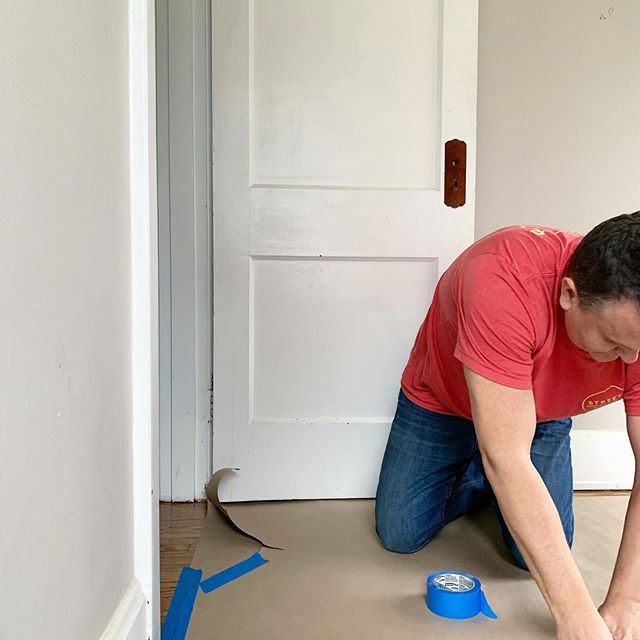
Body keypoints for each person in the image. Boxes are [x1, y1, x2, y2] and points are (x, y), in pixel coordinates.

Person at [375, 212, 640, 640]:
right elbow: (509, 458)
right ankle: (489, 465)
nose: (631, 362)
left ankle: (494, 472)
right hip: (442, 401)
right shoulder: (503, 277)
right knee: (400, 533)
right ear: (570, 294)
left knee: (525, 556)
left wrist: (628, 601)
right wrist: (575, 615)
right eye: (614, 342)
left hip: (540, 412)